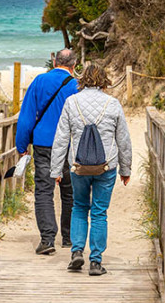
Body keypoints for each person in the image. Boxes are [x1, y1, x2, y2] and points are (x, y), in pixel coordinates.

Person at [50, 63, 132, 276]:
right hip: (106, 166)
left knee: (79, 206)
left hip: (78, 166)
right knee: (99, 212)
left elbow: (60, 138)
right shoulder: (112, 104)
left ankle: (77, 251)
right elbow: (123, 139)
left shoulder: (71, 102)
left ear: (82, 79)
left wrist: (56, 170)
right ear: (104, 80)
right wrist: (126, 168)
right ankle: (95, 262)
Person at [15, 48, 79, 255]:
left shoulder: (39, 81)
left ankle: (48, 240)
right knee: (69, 192)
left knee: (44, 191)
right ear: (74, 65)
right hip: (70, 144)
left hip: (44, 143)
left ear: (54, 63)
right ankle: (69, 238)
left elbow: (25, 117)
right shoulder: (78, 85)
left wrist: (22, 146)